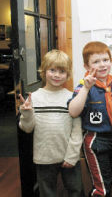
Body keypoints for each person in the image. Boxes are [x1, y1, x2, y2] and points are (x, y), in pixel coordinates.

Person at [18, 50, 83, 197]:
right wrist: (27, 113)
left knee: (76, 190)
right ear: (44, 71)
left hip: (68, 156)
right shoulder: (33, 97)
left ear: (68, 74)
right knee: (47, 192)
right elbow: (27, 129)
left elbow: (77, 130)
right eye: (52, 70)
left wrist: (72, 156)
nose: (57, 75)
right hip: (44, 157)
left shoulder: (73, 97)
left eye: (62, 71)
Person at [68, 41, 112, 197]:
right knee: (101, 188)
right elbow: (73, 111)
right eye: (96, 62)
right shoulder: (83, 86)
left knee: (107, 180)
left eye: (105, 60)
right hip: (96, 141)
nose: (102, 65)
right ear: (87, 66)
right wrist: (86, 88)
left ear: (111, 61)